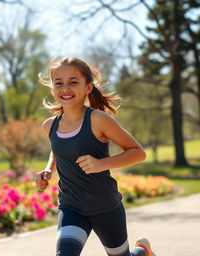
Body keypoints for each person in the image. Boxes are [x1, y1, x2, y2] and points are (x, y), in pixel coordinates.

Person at [35, 57, 156, 256]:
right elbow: (58, 148)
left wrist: (101, 164)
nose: (65, 88)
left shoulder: (98, 120)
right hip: (71, 206)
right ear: (52, 88)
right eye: (59, 83)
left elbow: (137, 152)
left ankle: (141, 252)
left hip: (105, 207)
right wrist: (49, 169)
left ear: (88, 87)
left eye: (73, 82)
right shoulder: (50, 125)